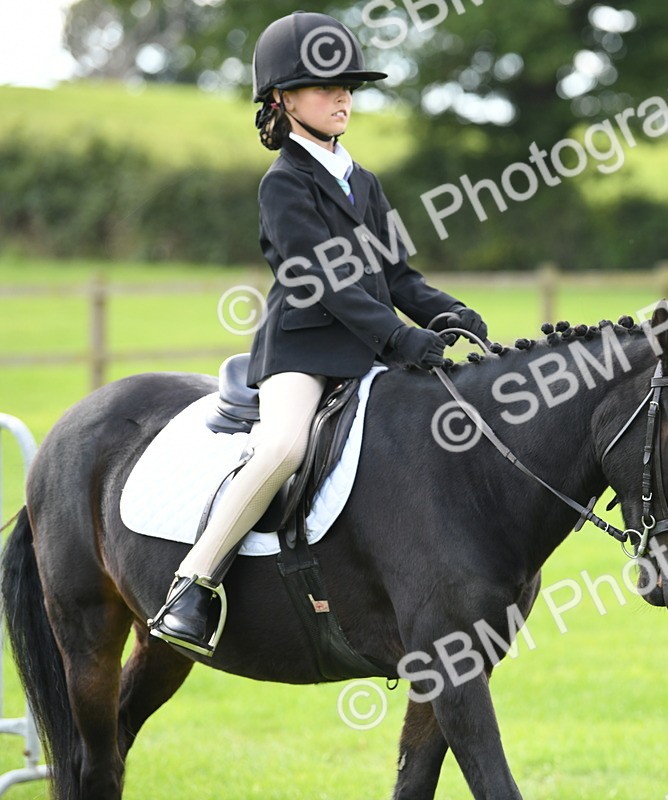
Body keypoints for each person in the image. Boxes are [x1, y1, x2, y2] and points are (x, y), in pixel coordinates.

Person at [148, 11, 487, 656]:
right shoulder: (283, 184)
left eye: (347, 87)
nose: (341, 97)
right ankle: (193, 585)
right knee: (282, 450)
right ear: (283, 100)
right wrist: (400, 340)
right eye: (324, 86)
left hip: (368, 352)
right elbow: (328, 283)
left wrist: (447, 311)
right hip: (304, 351)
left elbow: (398, 276)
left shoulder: (364, 182)